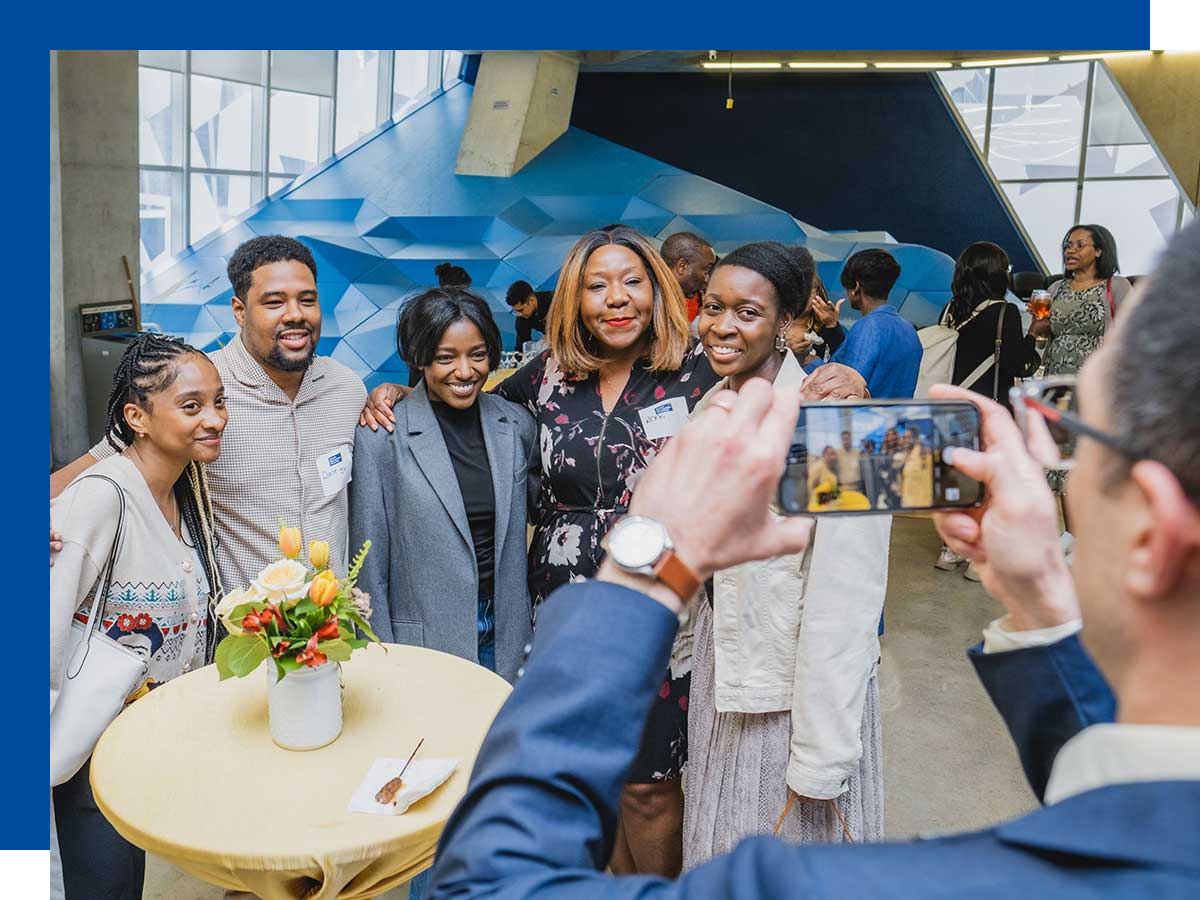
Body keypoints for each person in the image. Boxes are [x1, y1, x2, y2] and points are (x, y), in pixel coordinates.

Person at [423, 222, 1200, 900]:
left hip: (772, 687)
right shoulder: (1151, 823)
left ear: (1153, 531)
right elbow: (1118, 792)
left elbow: (486, 879)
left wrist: (645, 569)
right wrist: (1039, 606)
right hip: (727, 666)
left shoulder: (787, 884)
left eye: (1067, 423)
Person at [359, 226, 866, 878]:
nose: (616, 299)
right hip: (563, 599)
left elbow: (777, 371)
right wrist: (397, 394)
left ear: (657, 289)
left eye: (632, 281)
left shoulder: (701, 366)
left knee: (651, 784)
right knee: (588, 773)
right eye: (598, 286)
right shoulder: (544, 377)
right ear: (575, 298)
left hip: (668, 599)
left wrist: (839, 373)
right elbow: (462, 406)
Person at [686, 241, 887, 867]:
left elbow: (847, 603)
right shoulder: (710, 407)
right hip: (724, 672)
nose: (722, 325)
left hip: (797, 694)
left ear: (789, 324)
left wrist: (822, 759)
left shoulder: (839, 427)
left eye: (747, 312)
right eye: (714, 306)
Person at [50, 235, 367, 590]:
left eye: (307, 301)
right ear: (240, 311)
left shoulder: (346, 389)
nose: (295, 315)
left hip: (333, 629)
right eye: (274, 302)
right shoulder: (197, 392)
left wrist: (400, 392)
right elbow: (93, 467)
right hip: (242, 635)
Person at [51, 334, 226, 900]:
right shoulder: (101, 496)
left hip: (150, 740)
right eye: (192, 405)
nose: (215, 419)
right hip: (92, 749)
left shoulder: (186, 489)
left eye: (219, 402)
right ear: (137, 416)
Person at [349, 288, 537, 682]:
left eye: (478, 355)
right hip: (423, 641)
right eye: (445, 358)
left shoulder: (517, 424)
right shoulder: (381, 436)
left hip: (508, 634)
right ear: (420, 358)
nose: (465, 371)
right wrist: (379, 655)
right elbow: (368, 567)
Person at [934, 241, 1040, 574]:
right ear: (995, 273)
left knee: (958, 477)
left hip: (952, 407)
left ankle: (950, 549)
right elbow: (1016, 365)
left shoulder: (950, 310)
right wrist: (1035, 337)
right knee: (990, 482)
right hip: (989, 409)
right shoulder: (1004, 312)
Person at [1028, 224, 1131, 377]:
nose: (1070, 251)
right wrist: (1039, 328)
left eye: (1079, 245)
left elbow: (1136, 333)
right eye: (1068, 246)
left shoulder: (1116, 285)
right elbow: (1041, 343)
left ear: (1098, 251)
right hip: (1055, 378)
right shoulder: (1055, 288)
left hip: (1097, 380)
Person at [819, 248, 922, 398]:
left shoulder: (868, 327)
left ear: (856, 287)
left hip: (865, 419)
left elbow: (846, 386)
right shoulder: (909, 330)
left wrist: (810, 361)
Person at [784, 271, 845, 368]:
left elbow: (844, 364)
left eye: (808, 291)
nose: (800, 297)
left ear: (818, 294)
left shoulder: (827, 328)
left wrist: (833, 325)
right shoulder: (773, 325)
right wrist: (785, 350)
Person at [660, 232, 716, 322]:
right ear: (682, 266)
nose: (706, 279)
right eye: (706, 271)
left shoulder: (671, 301)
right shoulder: (652, 304)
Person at [504, 279, 553, 351]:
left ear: (531, 300)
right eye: (516, 311)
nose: (518, 315)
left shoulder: (554, 300)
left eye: (521, 310)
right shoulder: (522, 317)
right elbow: (521, 348)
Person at [899, 425, 933, 508]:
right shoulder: (907, 455)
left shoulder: (924, 455)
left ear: (916, 438)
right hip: (908, 504)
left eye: (908, 437)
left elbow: (927, 482)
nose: (905, 440)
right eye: (904, 437)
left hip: (921, 505)